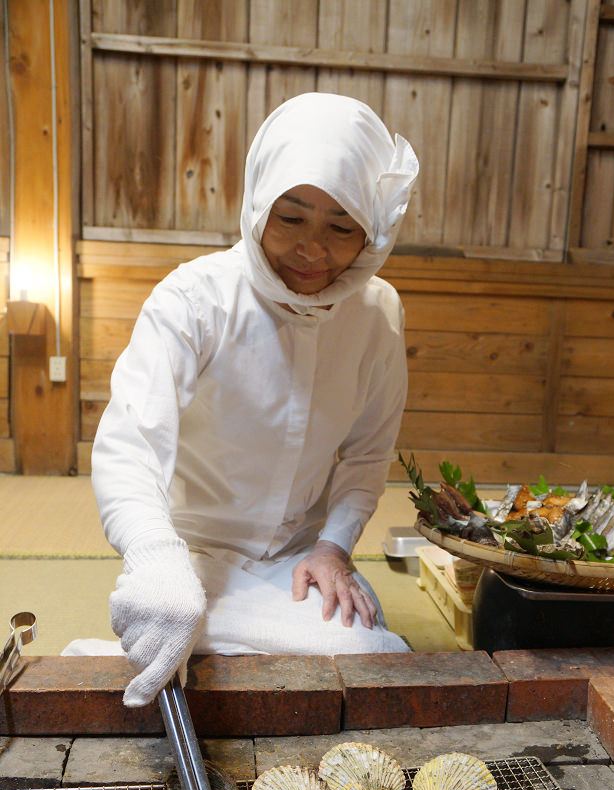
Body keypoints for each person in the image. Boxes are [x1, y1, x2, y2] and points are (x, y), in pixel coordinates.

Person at [66, 92, 419, 708]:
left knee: (373, 658)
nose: (314, 249)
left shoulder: (378, 314)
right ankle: (184, 621)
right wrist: (154, 558)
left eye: (342, 226)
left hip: (300, 560)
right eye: (291, 217)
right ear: (257, 201)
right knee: (172, 628)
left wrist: (334, 548)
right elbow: (130, 444)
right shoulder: (194, 300)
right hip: (194, 558)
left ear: (375, 229)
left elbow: (366, 458)